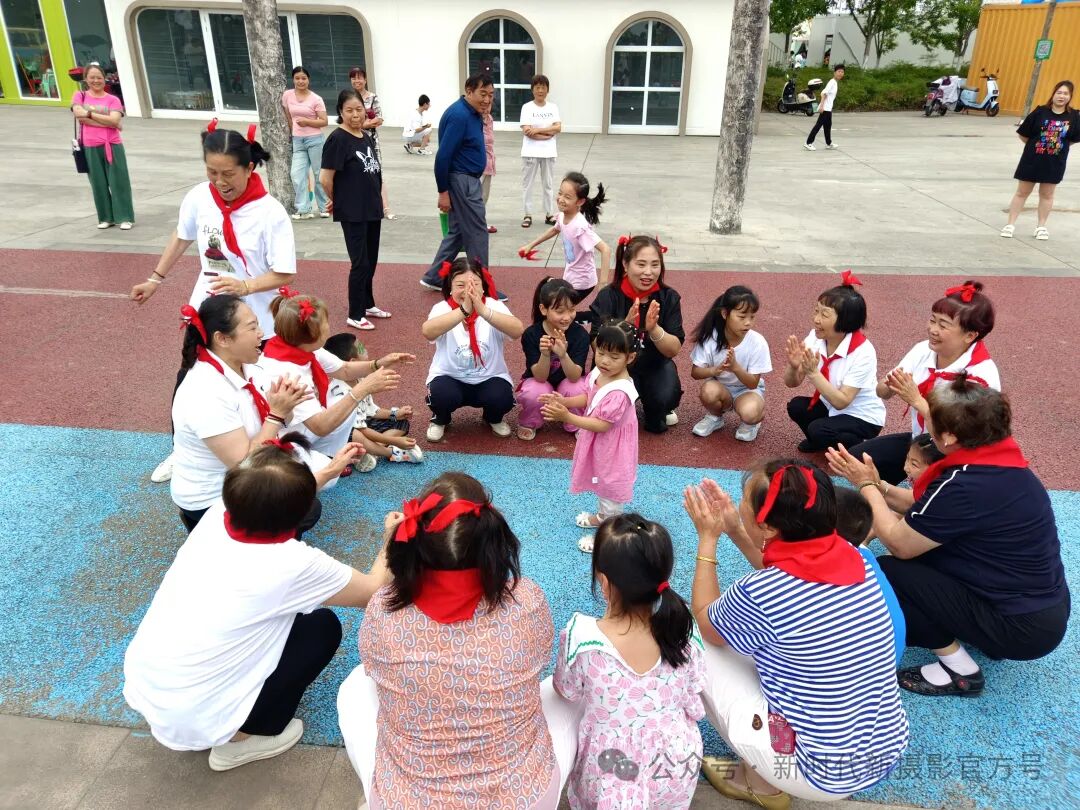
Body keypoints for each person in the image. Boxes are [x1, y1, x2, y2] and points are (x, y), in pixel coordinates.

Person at [123, 438, 393, 771]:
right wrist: (391, 538)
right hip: (197, 717)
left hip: (150, 689)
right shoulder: (292, 563)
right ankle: (240, 740)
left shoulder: (218, 514)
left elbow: (265, 493)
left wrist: (328, 471)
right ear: (297, 513)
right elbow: (373, 591)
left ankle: (219, 721)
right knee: (321, 628)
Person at [336, 472, 579, 809]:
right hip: (522, 797)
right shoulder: (528, 601)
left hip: (407, 801)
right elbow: (538, 660)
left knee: (355, 686)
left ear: (413, 538)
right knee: (569, 689)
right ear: (492, 536)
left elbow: (375, 667)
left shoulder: (383, 609)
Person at [827, 379, 1070, 698]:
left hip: (1019, 628)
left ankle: (959, 669)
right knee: (928, 551)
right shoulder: (1004, 464)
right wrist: (880, 485)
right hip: (1040, 612)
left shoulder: (964, 484)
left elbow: (899, 543)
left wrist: (866, 485)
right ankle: (984, 636)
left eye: (930, 415)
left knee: (887, 571)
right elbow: (926, 507)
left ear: (950, 437)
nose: (925, 417)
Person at [685, 462, 908, 807]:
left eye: (744, 500)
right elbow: (789, 575)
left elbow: (706, 623)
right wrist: (735, 529)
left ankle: (759, 783)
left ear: (768, 526)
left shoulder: (760, 592)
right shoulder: (855, 557)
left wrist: (708, 539)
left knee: (691, 640)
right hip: (884, 750)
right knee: (759, 639)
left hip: (815, 773)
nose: (739, 504)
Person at [130, 122, 297, 484]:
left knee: (253, 383)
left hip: (255, 319)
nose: (220, 182)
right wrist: (155, 279)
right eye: (211, 172)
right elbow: (182, 237)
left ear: (249, 167)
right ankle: (182, 450)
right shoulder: (199, 197)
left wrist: (245, 285)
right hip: (207, 312)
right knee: (191, 379)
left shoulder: (270, 212)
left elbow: (284, 272)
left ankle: (255, 452)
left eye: (228, 174)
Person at [554, 515, 705, 809]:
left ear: (604, 581)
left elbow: (566, 690)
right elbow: (694, 686)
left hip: (608, 770)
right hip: (674, 766)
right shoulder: (684, 629)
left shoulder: (582, 638)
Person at [170, 295, 358, 532]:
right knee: (308, 506)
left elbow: (279, 419)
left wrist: (286, 404)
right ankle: (241, 538)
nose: (261, 333)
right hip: (214, 496)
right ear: (222, 339)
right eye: (252, 328)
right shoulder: (205, 392)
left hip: (244, 472)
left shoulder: (247, 365)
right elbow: (243, 464)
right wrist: (277, 413)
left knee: (320, 473)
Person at [848, 281, 998, 484]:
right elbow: (881, 391)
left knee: (929, 490)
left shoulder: (981, 374)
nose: (933, 330)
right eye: (932, 320)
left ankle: (919, 493)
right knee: (857, 460)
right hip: (924, 440)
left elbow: (956, 435)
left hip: (957, 453)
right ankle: (893, 491)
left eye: (943, 325)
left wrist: (916, 399)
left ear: (970, 335)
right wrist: (890, 385)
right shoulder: (923, 350)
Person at [259, 290, 410, 457]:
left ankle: (339, 453)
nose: (329, 327)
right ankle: (330, 457)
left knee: (347, 407)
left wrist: (379, 363)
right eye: (326, 324)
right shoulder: (288, 374)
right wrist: (363, 389)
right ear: (313, 334)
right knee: (346, 407)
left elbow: (344, 370)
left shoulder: (298, 346)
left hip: (304, 430)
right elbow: (319, 426)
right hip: (288, 442)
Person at [541, 320, 639, 553]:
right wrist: (565, 401)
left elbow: (602, 425)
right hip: (603, 443)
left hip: (612, 446)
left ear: (630, 358)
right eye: (601, 353)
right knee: (601, 481)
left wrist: (567, 416)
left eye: (614, 357)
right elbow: (589, 396)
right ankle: (603, 516)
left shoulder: (620, 392)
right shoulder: (601, 373)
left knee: (610, 486)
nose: (605, 361)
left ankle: (609, 535)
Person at [590, 235, 684, 434]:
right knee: (608, 415)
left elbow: (673, 349)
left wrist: (654, 329)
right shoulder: (608, 296)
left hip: (653, 365)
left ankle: (656, 404)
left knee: (662, 403)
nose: (648, 272)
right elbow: (596, 345)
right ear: (625, 264)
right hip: (614, 367)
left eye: (655, 265)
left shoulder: (668, 297)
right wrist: (624, 327)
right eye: (641, 264)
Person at [422, 258, 523, 441]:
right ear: (450, 287)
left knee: (501, 398)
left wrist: (483, 311)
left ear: (483, 286)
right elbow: (428, 332)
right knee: (441, 395)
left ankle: (493, 418)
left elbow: (517, 330)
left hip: (489, 377)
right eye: (460, 285)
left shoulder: (494, 306)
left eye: (475, 284)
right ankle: (440, 419)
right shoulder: (442, 308)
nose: (468, 290)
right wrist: (463, 310)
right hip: (450, 377)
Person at [783, 271, 884, 453]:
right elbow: (792, 383)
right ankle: (821, 441)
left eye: (825, 314)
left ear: (846, 320)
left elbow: (842, 401)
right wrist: (793, 366)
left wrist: (813, 373)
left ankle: (859, 446)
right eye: (816, 311)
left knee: (818, 429)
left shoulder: (863, 352)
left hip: (862, 417)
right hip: (830, 404)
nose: (816, 319)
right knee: (796, 406)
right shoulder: (815, 337)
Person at [418, 74, 496, 294]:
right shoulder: (460, 115)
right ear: (469, 91)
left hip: (465, 179)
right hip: (463, 181)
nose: (487, 99)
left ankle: (434, 276)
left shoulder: (471, 113)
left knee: (459, 231)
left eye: (491, 95)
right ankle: (482, 285)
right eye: (482, 94)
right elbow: (443, 156)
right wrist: (443, 191)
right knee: (478, 232)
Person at [321, 88, 387, 331]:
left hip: (372, 208)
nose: (355, 115)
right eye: (349, 110)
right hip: (353, 211)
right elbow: (325, 178)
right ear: (341, 111)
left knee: (371, 260)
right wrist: (338, 200)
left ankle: (368, 304)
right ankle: (355, 313)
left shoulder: (365, 136)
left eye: (359, 109)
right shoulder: (337, 139)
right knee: (359, 263)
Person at [324, 332, 423, 471]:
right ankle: (392, 453)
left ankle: (370, 452)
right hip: (346, 434)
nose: (365, 349)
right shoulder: (340, 393)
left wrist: (395, 414)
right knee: (355, 434)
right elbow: (361, 430)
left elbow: (371, 410)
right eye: (361, 348)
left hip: (361, 425)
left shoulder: (360, 378)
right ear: (353, 362)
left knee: (401, 422)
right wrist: (394, 441)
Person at [690, 285, 772, 443]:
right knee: (708, 391)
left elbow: (753, 383)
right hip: (721, 388)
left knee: (751, 413)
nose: (748, 323)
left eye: (752, 317)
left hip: (747, 390)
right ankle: (715, 417)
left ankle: (752, 423)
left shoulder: (757, 342)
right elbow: (695, 373)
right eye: (742, 317)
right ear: (725, 314)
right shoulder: (710, 338)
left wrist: (735, 368)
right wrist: (714, 370)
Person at [1001, 80, 1080, 240]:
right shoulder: (1040, 112)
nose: (1062, 96)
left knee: (1047, 195)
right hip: (1032, 160)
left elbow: (1072, 139)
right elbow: (1024, 135)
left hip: (1054, 163)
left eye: (1066, 93)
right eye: (1059, 92)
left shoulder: (1074, 116)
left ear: (1070, 96)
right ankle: (1010, 225)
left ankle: (1041, 227)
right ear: (1053, 94)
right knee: (1022, 192)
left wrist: (1055, 147)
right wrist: (1036, 146)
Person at [518, 172, 610, 306]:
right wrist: (530, 245)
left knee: (558, 309)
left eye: (567, 197)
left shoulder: (580, 226)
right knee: (557, 309)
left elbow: (605, 249)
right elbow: (554, 229)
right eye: (560, 193)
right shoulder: (563, 216)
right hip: (570, 276)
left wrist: (603, 286)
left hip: (582, 282)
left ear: (580, 201)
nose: (561, 199)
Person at [517, 277, 591, 441]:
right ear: (543, 309)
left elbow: (574, 376)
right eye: (560, 311)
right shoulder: (532, 334)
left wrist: (563, 355)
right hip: (541, 382)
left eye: (572, 310)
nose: (567, 317)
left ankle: (576, 423)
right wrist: (545, 354)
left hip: (568, 381)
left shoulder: (580, 334)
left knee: (577, 388)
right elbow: (540, 377)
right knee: (535, 391)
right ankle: (530, 421)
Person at [71, 63, 134, 230]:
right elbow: (79, 115)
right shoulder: (80, 96)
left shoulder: (113, 99)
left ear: (104, 79)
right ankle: (106, 217)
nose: (96, 80)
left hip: (112, 145)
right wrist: (110, 123)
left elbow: (114, 119)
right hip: (90, 146)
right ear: (86, 79)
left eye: (99, 77)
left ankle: (125, 217)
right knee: (97, 183)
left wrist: (89, 114)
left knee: (119, 181)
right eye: (92, 77)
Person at [282, 66, 329, 220]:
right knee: (297, 174)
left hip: (315, 140)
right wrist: (293, 132)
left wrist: (307, 122)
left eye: (304, 78)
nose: (300, 81)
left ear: (308, 80)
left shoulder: (316, 99)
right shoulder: (287, 95)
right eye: (297, 78)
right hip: (298, 141)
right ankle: (304, 209)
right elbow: (289, 116)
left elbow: (324, 121)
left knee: (318, 174)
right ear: (293, 80)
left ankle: (324, 207)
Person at [348, 67, 395, 219]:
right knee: (356, 173)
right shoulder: (347, 97)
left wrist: (360, 125)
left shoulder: (372, 97)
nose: (357, 81)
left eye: (359, 77)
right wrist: (366, 123)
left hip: (370, 141)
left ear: (365, 79)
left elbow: (379, 119)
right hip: (351, 141)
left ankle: (385, 208)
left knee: (377, 173)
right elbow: (344, 120)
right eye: (353, 78)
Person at [520, 74, 562, 228]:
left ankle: (549, 214)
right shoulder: (527, 107)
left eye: (543, 87)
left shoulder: (553, 107)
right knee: (528, 185)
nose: (540, 90)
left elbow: (558, 127)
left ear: (547, 90)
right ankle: (527, 214)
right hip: (530, 152)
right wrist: (547, 134)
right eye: (537, 87)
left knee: (548, 184)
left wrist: (537, 130)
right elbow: (527, 131)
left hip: (548, 152)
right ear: (532, 90)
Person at [805, 64, 844, 151]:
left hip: (828, 109)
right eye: (839, 71)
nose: (840, 73)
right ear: (834, 73)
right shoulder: (832, 82)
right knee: (818, 126)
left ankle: (829, 143)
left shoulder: (835, 83)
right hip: (825, 108)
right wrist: (822, 106)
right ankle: (808, 143)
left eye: (842, 72)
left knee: (827, 126)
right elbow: (823, 93)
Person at [482, 110, 497, 233]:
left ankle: (480, 222)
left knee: (484, 195)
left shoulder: (489, 118)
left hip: (489, 161)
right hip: (476, 163)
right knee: (475, 196)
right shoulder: (472, 118)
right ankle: (475, 224)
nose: (486, 106)